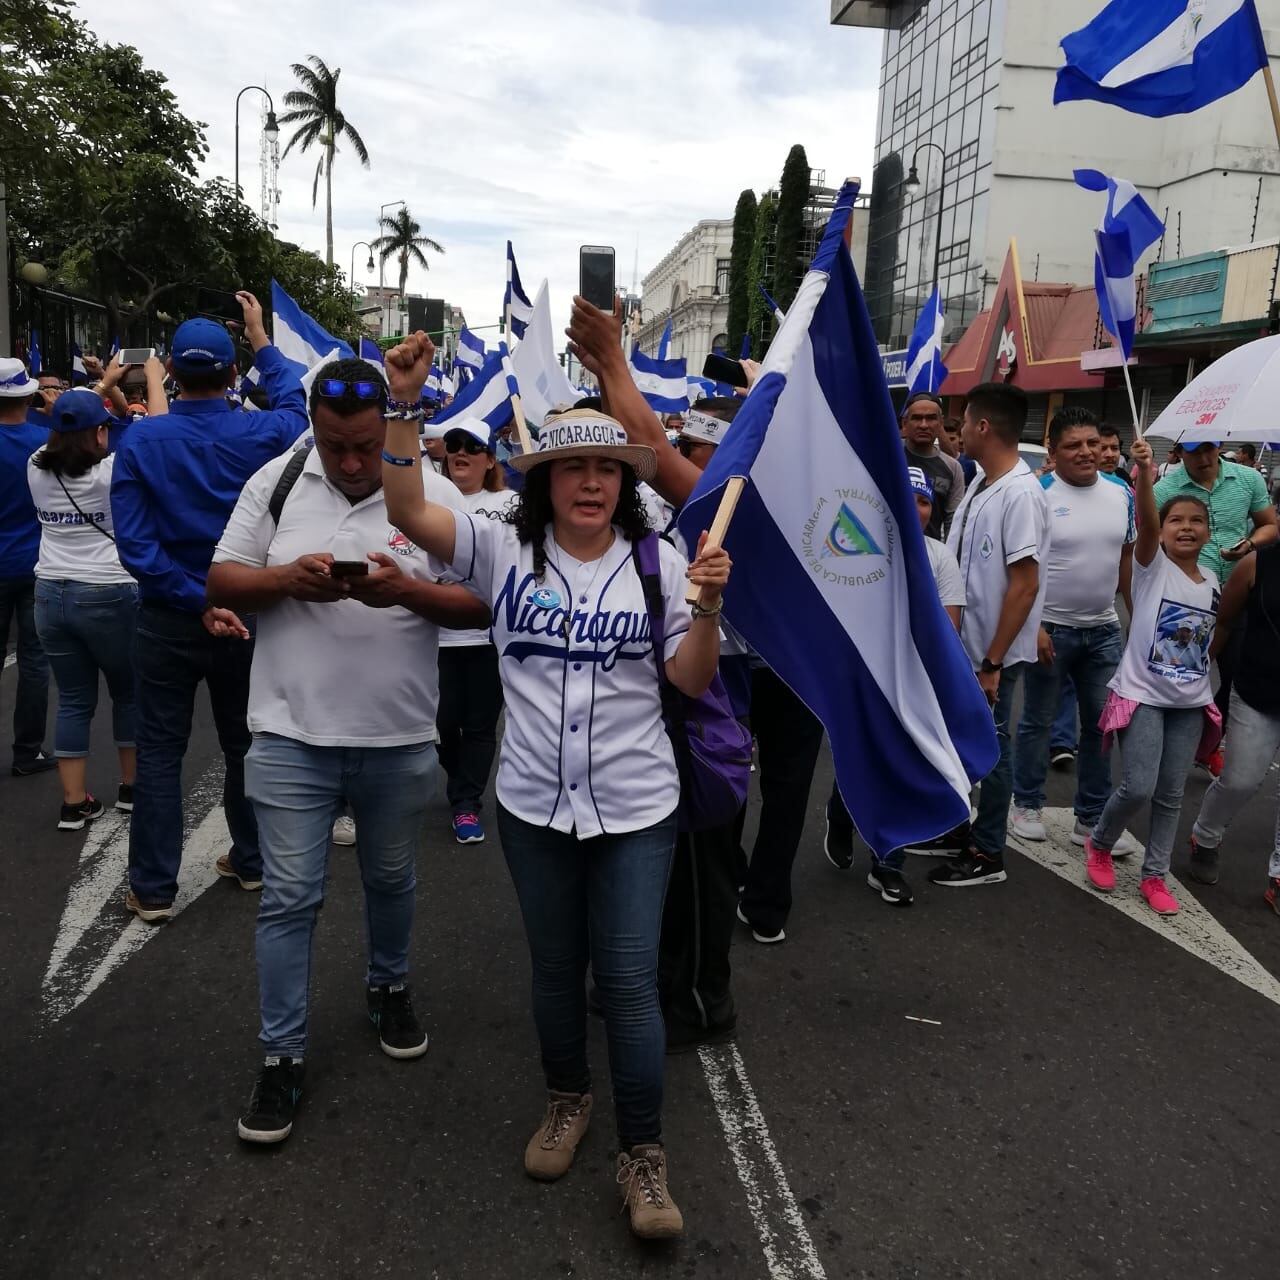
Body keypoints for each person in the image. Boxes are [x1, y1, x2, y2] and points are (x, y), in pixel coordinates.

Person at [381, 330, 732, 1241]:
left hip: (638, 804)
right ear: (541, 479)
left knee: (626, 980)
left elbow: (690, 682)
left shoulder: (657, 558)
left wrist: (707, 610)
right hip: (533, 802)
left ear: (625, 481)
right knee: (550, 969)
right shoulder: (500, 548)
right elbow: (413, 512)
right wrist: (403, 405)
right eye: (570, 466)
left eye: (607, 469)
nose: (589, 482)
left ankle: (644, 1156)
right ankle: (568, 1101)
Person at [206, 356, 485, 1146]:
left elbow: (484, 599)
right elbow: (221, 579)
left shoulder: (430, 488)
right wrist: (287, 580)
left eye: (366, 444)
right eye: (337, 446)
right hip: (290, 732)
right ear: (314, 428)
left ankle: (388, 985)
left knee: (392, 877)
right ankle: (281, 1056)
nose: (354, 462)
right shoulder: (280, 479)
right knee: (291, 898)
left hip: (397, 737)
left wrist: (408, 592)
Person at [110, 292, 309, 923]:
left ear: (168, 369)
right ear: (230, 375)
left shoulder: (142, 442)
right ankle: (251, 861)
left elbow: (137, 548)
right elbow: (297, 404)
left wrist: (197, 599)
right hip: (245, 609)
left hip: (170, 614)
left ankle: (153, 889)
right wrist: (260, 336)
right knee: (245, 743)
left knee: (161, 751)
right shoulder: (263, 432)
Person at [1086, 437, 1218, 916]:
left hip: (1190, 706)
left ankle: (1155, 875)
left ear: (1208, 532)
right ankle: (1100, 842)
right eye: (1175, 521)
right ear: (1160, 533)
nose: (1185, 527)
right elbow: (1144, 520)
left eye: (1196, 521)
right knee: (1137, 786)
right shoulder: (1151, 569)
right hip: (1142, 696)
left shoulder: (1214, 580)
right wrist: (1143, 473)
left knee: (1170, 793)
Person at [824, 466, 965, 905]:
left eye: (922, 501)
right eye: (905, 499)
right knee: (862, 755)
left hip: (915, 679)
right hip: (863, 673)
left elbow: (949, 626)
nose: (914, 509)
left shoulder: (939, 557)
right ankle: (842, 810)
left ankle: (888, 864)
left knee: (901, 763)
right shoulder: (860, 550)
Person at [931, 382, 1050, 888]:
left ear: (983, 427)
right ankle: (963, 829)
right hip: (971, 649)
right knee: (969, 743)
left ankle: (987, 853)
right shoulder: (984, 483)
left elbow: (1024, 585)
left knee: (992, 750)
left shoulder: (1021, 492)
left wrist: (993, 662)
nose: (955, 434)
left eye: (962, 423)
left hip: (990, 657)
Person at [1010, 407, 1140, 855]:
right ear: (1053, 451)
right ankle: (1025, 804)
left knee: (1100, 729)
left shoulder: (1122, 491)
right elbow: (1023, 567)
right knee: (1038, 721)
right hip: (1050, 630)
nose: (1086, 453)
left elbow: (1125, 558)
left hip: (1103, 631)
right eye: (1073, 445)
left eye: (1092, 443)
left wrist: (1133, 614)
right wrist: (1034, 625)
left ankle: (1091, 819)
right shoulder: (1036, 492)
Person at [28, 385, 141, 829]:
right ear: (98, 433)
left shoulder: (35, 467)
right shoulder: (110, 473)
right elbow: (154, 429)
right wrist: (117, 384)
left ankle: (74, 804)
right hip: (108, 591)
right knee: (128, 693)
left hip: (49, 592)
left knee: (73, 699)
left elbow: (66, 423)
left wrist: (96, 388)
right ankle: (131, 787)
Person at [1153, 439, 1276, 740]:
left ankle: (1209, 738)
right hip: (1187, 600)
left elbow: (1269, 526)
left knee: (1237, 672)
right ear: (1180, 453)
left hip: (1240, 594)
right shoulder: (1164, 491)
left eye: (1209, 448)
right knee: (1183, 670)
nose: (1204, 458)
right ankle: (1175, 734)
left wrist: (1250, 544)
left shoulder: (1248, 478)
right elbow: (1151, 540)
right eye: (1194, 451)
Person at [1186, 540, 1280, 908]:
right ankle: (1205, 835)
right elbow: (1223, 621)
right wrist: (1199, 670)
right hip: (1256, 690)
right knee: (1240, 780)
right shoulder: (1256, 565)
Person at [435, 417, 515, 844]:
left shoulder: (511, 505)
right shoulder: (427, 500)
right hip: (433, 636)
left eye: (471, 446)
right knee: (443, 723)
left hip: (487, 638)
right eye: (453, 445)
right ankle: (458, 778)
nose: (460, 452)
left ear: (489, 459)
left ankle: (466, 803)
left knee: (481, 726)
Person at [0, 358, 56, 777]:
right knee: (35, 659)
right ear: (28, 394)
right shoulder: (44, 442)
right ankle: (27, 750)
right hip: (35, 562)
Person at [900, 392, 965, 538]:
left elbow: (952, 522)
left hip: (930, 555)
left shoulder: (953, 468)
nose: (924, 425)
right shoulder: (888, 456)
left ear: (940, 423)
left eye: (930, 418)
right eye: (916, 418)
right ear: (905, 423)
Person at [1097, 423, 1133, 488]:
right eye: (1103, 448)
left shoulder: (1123, 476)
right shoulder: (1082, 483)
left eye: (1115, 448)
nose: (1110, 454)